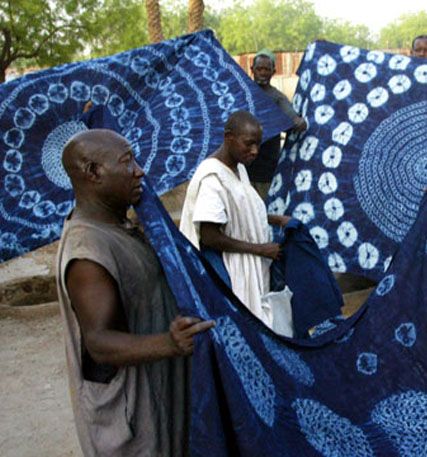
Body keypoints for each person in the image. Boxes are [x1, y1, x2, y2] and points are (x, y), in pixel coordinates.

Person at [55, 129, 215, 456]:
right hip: (132, 415)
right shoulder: (88, 250)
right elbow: (98, 342)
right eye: (128, 162)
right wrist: (169, 343)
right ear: (93, 173)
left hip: (157, 393)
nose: (139, 170)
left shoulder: (119, 225)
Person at [180, 111, 291, 330]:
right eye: (249, 144)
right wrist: (259, 249)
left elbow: (239, 211)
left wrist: (274, 219)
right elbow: (210, 236)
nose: (255, 151)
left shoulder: (238, 168)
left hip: (249, 260)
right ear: (229, 137)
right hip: (234, 267)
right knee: (247, 324)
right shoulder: (212, 178)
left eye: (258, 145)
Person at [247, 49, 307, 200]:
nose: (262, 73)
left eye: (267, 69)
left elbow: (294, 120)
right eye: (259, 69)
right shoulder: (243, 93)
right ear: (252, 70)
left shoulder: (278, 98)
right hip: (241, 169)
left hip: (266, 171)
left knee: (263, 214)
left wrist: (297, 121)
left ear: (274, 71)